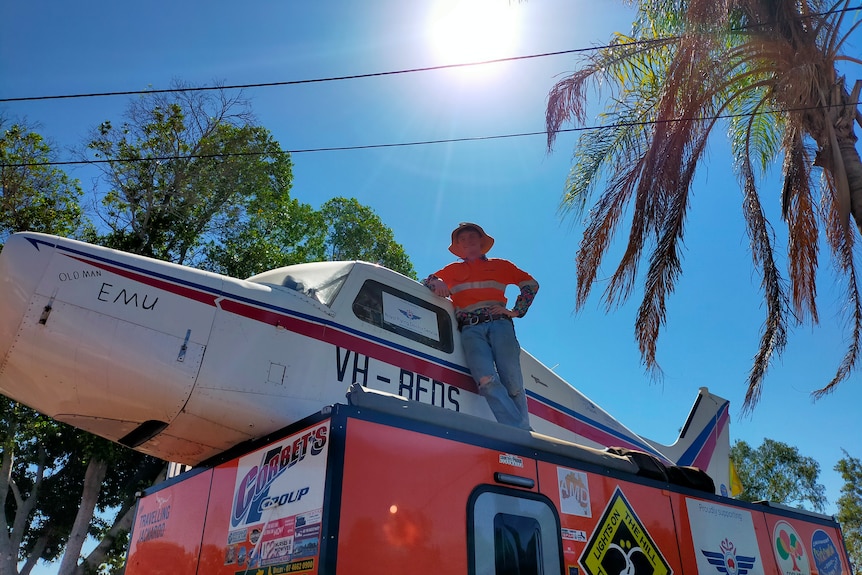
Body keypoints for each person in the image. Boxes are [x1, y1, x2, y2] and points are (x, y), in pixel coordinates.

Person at [422, 222, 539, 430]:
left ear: (480, 241)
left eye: (472, 237)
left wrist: (516, 311)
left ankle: (521, 437)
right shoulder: (452, 269)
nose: (468, 241)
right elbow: (429, 279)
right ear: (458, 245)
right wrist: (437, 281)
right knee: (486, 380)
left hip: (500, 325)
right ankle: (522, 432)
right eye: (462, 239)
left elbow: (530, 284)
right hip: (470, 329)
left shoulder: (501, 265)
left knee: (513, 383)